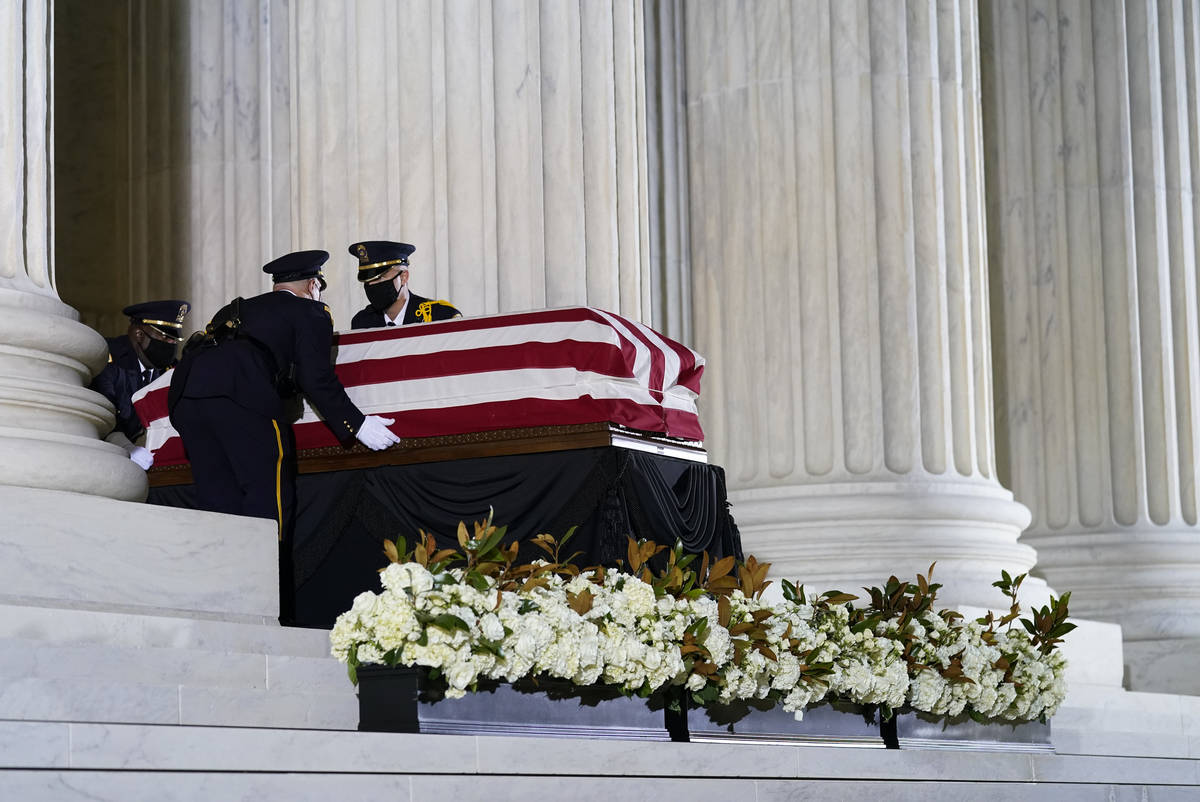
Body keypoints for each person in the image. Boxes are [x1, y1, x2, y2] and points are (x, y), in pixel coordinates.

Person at [168, 249, 400, 537]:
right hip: (244, 400)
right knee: (268, 502)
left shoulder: (232, 310)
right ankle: (264, 578)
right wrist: (358, 424)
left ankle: (223, 578)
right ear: (313, 286)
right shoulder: (311, 311)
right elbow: (315, 377)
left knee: (218, 503)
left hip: (187, 399)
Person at [90, 299, 191, 470]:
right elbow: (102, 413)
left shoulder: (170, 370)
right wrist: (126, 447)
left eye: (175, 339)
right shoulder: (109, 359)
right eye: (165, 337)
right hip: (106, 458)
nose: (172, 344)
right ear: (139, 334)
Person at [348, 240, 461, 329]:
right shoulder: (362, 323)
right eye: (367, 281)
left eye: (380, 278)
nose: (372, 285)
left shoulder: (439, 316)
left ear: (404, 277)